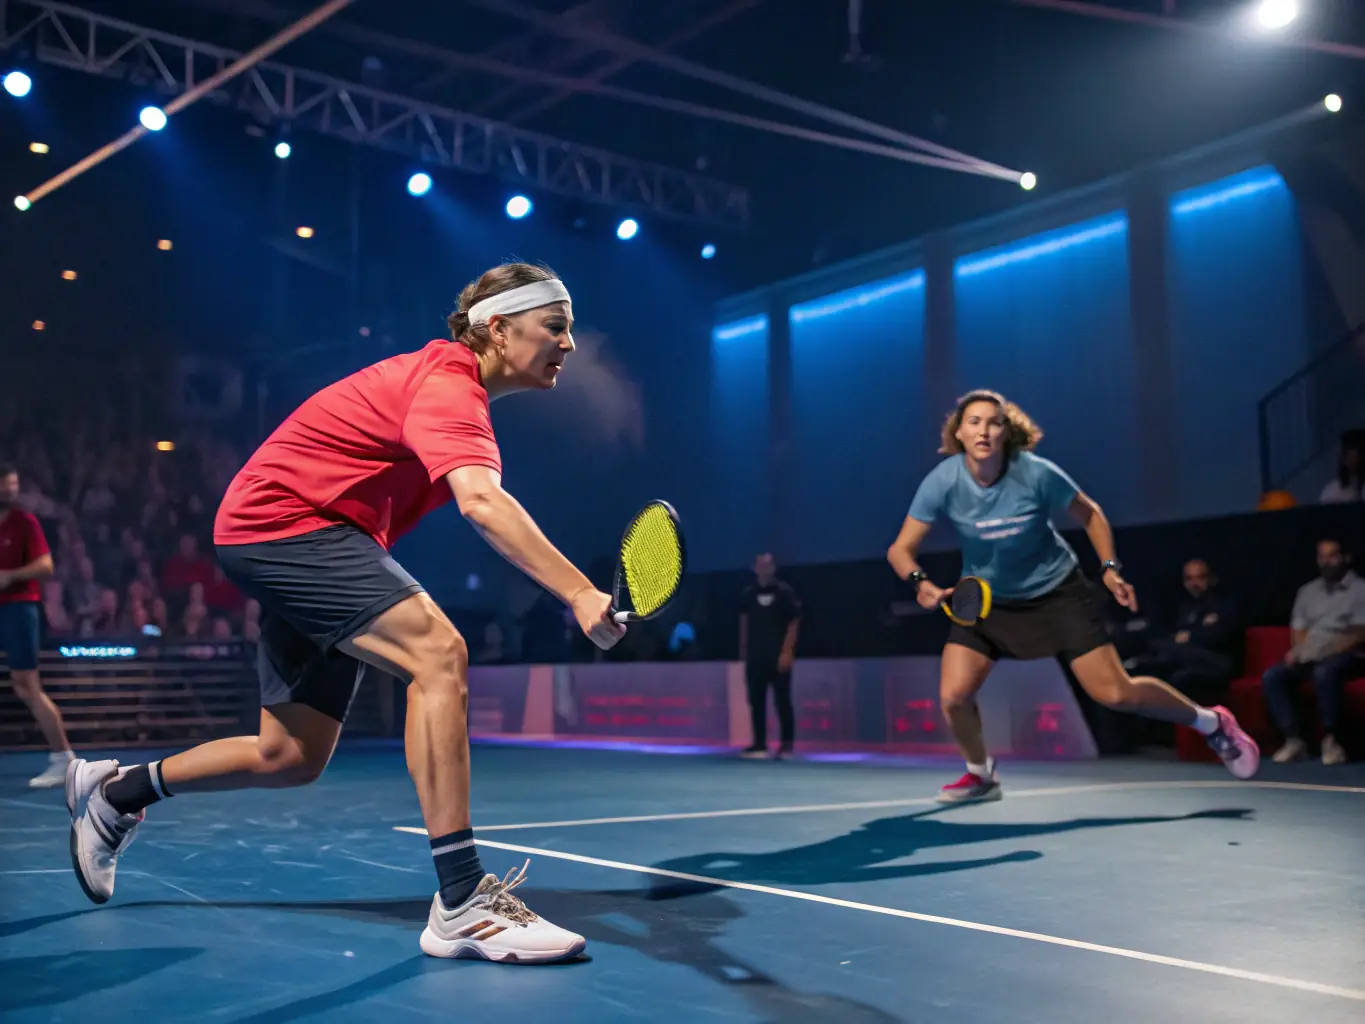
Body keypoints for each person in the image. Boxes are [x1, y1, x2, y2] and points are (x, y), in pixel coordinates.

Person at [65, 263, 626, 963]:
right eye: (555, 326)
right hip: (287, 527)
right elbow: (482, 503)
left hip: (287, 531)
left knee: (289, 755)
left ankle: (114, 793)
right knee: (438, 653)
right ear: (498, 328)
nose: (569, 344)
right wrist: (578, 592)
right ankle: (462, 903)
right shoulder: (448, 386)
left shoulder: (444, 383)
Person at [885, 390, 1260, 803]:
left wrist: (1110, 569)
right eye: (974, 422)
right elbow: (900, 550)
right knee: (954, 697)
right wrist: (921, 581)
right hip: (989, 600)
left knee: (1116, 694)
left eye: (993, 422)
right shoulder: (943, 481)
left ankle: (1212, 723)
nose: (984, 431)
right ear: (959, 432)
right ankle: (981, 775)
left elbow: (1091, 514)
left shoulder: (1036, 473)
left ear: (1006, 432)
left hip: (1056, 593)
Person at [1261, 538, 1365, 766]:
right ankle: (1293, 740)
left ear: (1345, 558)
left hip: (1349, 654)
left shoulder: (1360, 590)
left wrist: (1325, 652)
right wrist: (1299, 651)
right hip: (1311, 655)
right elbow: (1299, 630)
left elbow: (1359, 634)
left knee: (1325, 672)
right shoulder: (1307, 591)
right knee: (1274, 676)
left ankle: (1332, 740)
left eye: (1332, 556)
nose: (1326, 562)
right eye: (1322, 556)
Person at [0, 463, 73, 787]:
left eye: (13, 485)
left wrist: (10, 576)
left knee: (28, 684)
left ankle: (63, 759)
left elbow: (46, 565)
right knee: (20, 685)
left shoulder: (25, 523)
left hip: (19, 608)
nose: (10, 491)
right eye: (5, 486)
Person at [738, 553, 802, 759]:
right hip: (756, 657)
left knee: (782, 700)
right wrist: (744, 650)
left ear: (773, 568)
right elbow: (744, 622)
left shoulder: (785, 593)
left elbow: (794, 622)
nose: (764, 569)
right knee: (756, 700)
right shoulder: (748, 594)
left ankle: (786, 745)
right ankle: (759, 744)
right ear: (754, 568)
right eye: (760, 565)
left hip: (778, 656)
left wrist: (787, 651)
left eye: (768, 565)